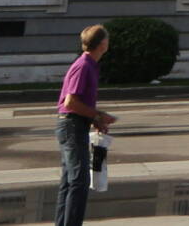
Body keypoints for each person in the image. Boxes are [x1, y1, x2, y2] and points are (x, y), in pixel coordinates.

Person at [54, 24, 115, 226]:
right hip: (71, 126)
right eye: (107, 39)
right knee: (79, 181)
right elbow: (70, 102)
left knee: (69, 181)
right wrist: (98, 115)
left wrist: (94, 119)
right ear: (103, 44)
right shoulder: (83, 66)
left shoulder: (89, 64)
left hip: (74, 124)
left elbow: (78, 103)